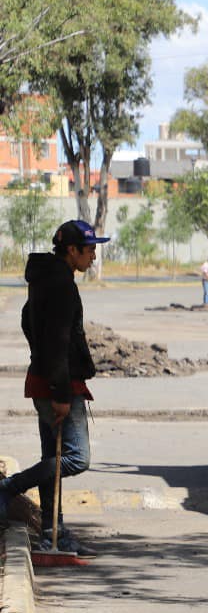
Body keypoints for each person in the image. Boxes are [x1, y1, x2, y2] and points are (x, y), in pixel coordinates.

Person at [0, 220, 107, 557]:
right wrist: (61, 393)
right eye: (88, 249)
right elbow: (58, 340)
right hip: (58, 384)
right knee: (76, 458)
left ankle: (52, 534)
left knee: (53, 458)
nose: (93, 255)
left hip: (43, 378)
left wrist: (42, 361)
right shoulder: (61, 283)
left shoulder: (43, 278)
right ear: (71, 250)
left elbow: (26, 318)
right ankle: (8, 487)